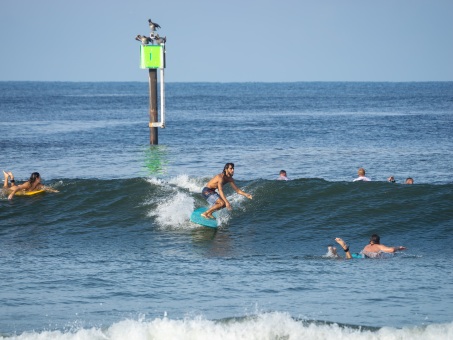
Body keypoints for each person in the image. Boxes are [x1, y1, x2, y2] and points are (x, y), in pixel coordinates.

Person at [333, 234, 406, 259]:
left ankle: (335, 253)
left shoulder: (367, 245)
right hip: (363, 257)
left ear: (371, 241)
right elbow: (391, 250)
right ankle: (345, 247)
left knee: (343, 258)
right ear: (378, 241)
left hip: (357, 254)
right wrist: (398, 248)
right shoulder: (379, 246)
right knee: (349, 259)